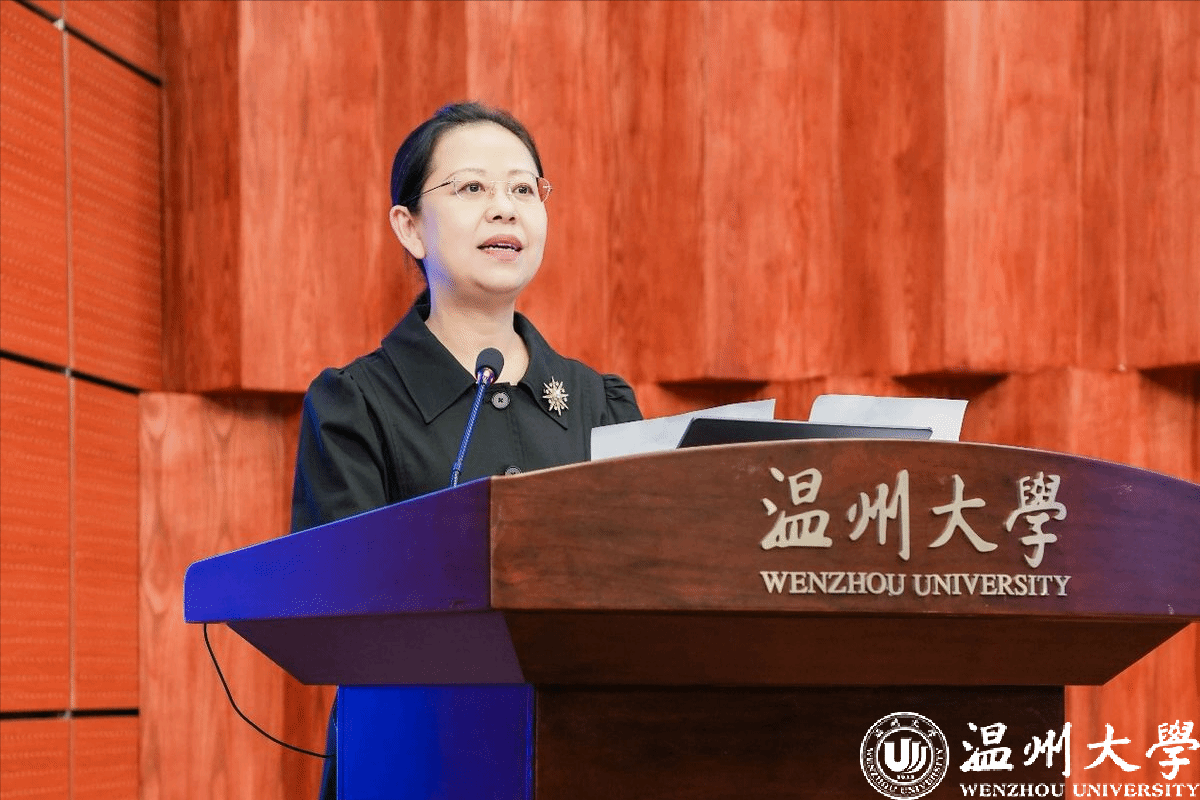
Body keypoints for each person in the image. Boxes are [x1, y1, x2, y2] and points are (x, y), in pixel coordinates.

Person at [289, 101, 642, 798]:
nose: (504, 208)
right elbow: (337, 608)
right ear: (409, 227)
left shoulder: (600, 404)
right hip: (411, 759)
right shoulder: (356, 404)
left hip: (582, 752)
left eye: (523, 189)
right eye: (473, 187)